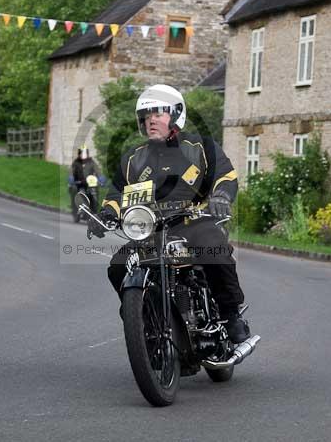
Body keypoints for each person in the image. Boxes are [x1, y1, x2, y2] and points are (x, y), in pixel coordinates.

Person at [88, 84, 250, 344]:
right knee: (118, 266)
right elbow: (116, 195)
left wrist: (221, 197)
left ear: (176, 114)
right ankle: (144, 316)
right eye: (146, 115)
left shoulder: (201, 146)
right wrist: (106, 213)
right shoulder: (133, 158)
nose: (150, 120)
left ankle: (231, 315)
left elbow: (226, 175)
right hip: (152, 231)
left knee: (215, 249)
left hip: (194, 221)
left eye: (158, 113)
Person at [69, 145, 101, 212]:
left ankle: (94, 206)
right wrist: (71, 178)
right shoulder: (76, 162)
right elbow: (72, 171)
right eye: (82, 152)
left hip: (89, 183)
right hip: (78, 182)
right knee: (74, 189)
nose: (83, 154)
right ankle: (75, 206)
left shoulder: (91, 162)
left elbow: (97, 170)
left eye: (85, 153)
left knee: (95, 190)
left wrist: (101, 177)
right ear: (79, 153)